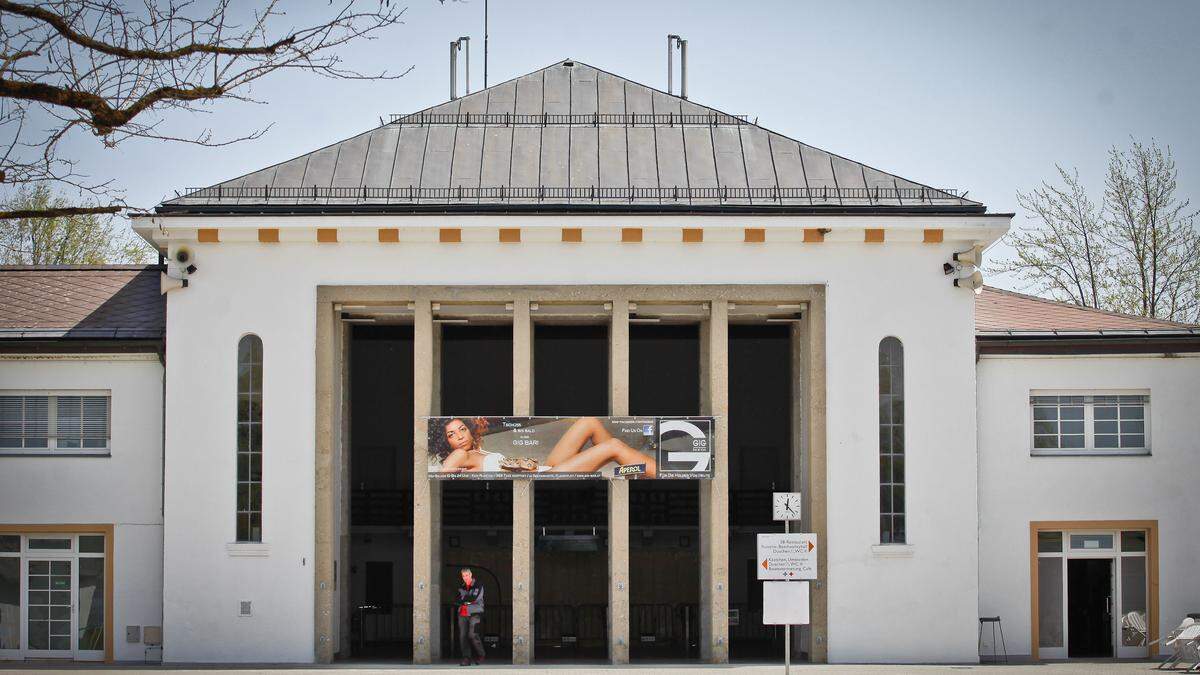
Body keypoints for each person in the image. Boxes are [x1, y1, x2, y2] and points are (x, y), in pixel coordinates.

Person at [431, 416, 657, 477]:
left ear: (469, 429)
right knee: (614, 446)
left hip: (545, 469)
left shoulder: (477, 451)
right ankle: (660, 471)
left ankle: (634, 467)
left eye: (462, 429)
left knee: (589, 422)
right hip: (548, 477)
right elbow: (443, 474)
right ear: (446, 442)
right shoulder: (460, 454)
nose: (459, 436)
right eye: (451, 434)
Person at [455, 568, 485, 666]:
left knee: (472, 635)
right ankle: (466, 658)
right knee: (463, 636)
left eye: (467, 575)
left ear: (471, 574)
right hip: (462, 614)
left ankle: (481, 655)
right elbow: (456, 599)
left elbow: (474, 598)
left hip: (475, 613)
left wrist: (464, 599)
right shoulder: (461, 586)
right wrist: (465, 600)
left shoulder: (478, 585)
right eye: (463, 576)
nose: (465, 578)